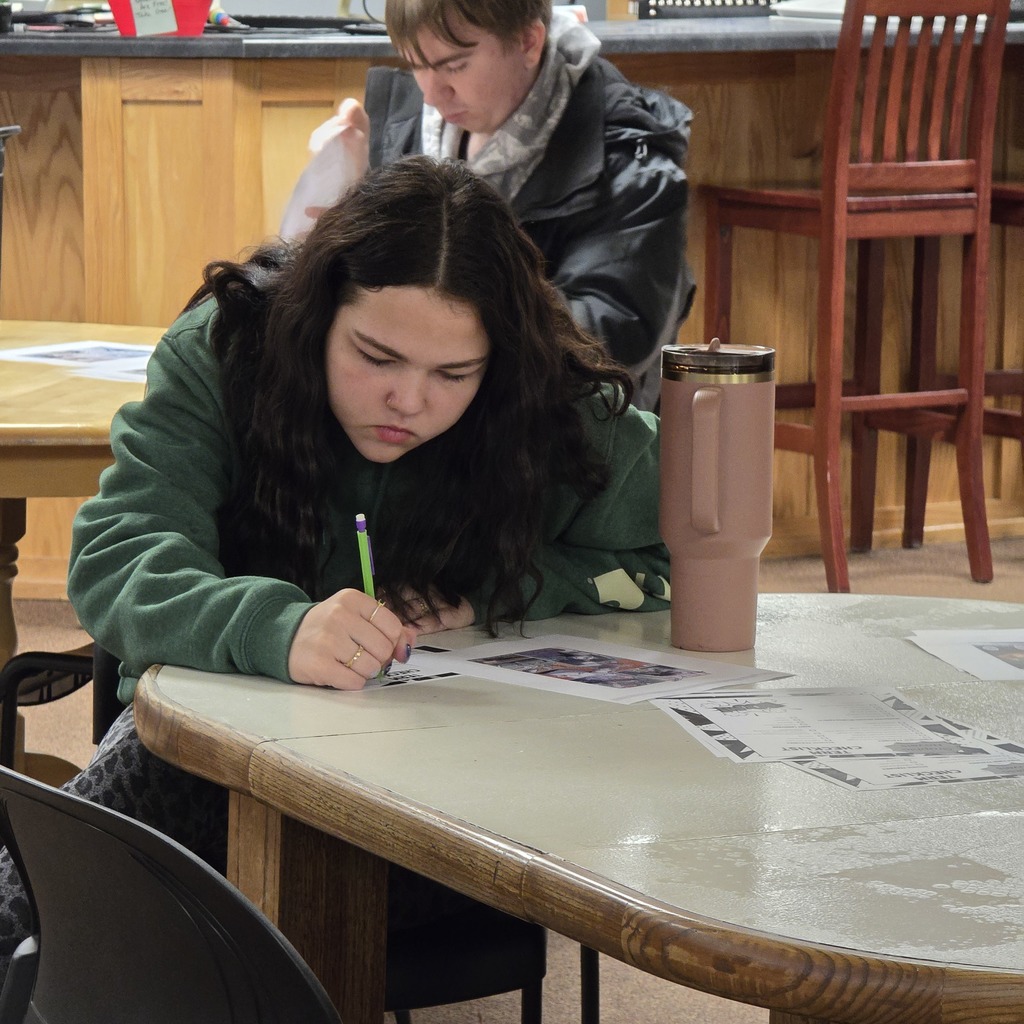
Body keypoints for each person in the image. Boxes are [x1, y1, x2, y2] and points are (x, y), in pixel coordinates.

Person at [0, 157, 669, 978]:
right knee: (94, 892)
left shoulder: (549, 399)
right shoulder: (227, 349)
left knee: (125, 919)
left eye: (454, 373)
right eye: (375, 356)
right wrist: (275, 628)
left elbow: (671, 563)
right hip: (220, 769)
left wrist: (500, 591)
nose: (409, 402)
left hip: (461, 797)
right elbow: (119, 555)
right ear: (318, 313)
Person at [281, 0, 695, 410]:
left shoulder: (628, 161)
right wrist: (343, 215)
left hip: (563, 438)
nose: (430, 94)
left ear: (529, 42)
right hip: (416, 433)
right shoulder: (400, 126)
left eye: (455, 65)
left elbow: (609, 344)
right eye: (415, 64)